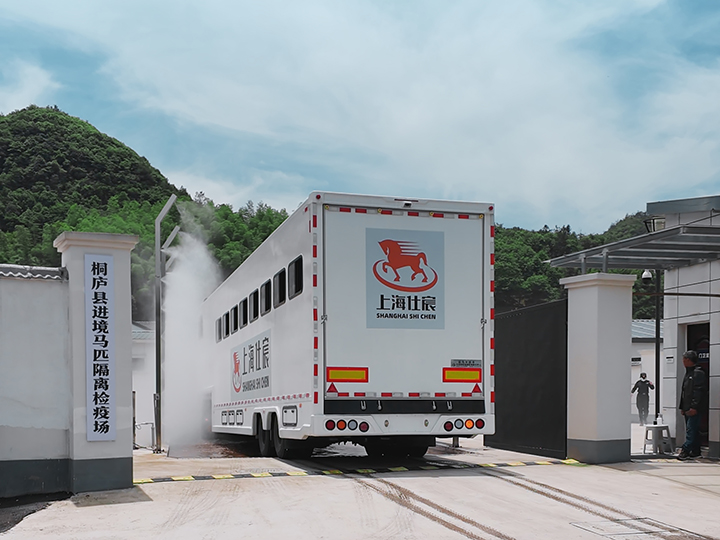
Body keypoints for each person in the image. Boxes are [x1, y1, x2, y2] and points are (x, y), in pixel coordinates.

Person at [677, 350, 708, 460]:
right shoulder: (688, 373)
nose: (683, 362)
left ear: (688, 360)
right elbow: (684, 391)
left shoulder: (698, 373)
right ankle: (695, 451)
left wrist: (694, 407)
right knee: (693, 429)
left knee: (691, 430)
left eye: (684, 359)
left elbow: (698, 391)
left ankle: (685, 450)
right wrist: (682, 406)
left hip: (694, 408)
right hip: (687, 407)